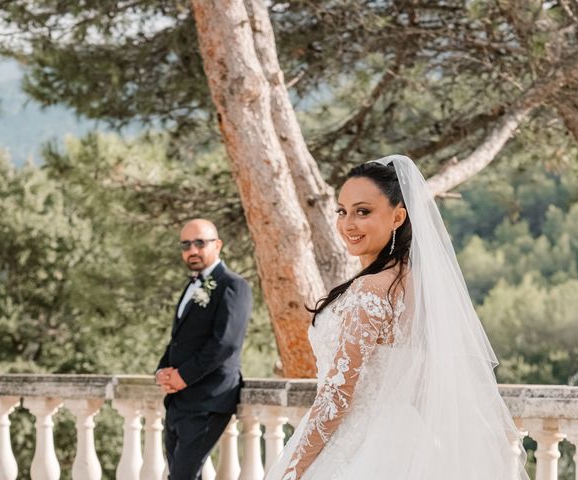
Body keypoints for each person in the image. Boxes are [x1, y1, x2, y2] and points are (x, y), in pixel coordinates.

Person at [264, 156, 528, 480]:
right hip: (408, 438)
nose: (348, 224)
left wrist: (292, 470)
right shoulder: (415, 283)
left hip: (357, 444)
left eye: (363, 211)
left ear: (398, 216)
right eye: (342, 211)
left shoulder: (371, 290)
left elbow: (338, 394)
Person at [156, 218, 252, 480]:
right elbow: (178, 339)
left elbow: (225, 343)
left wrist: (182, 376)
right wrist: (162, 371)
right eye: (186, 244)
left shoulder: (234, 285)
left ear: (217, 245)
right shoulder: (191, 286)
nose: (192, 250)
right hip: (179, 401)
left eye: (200, 242)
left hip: (209, 399)